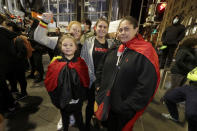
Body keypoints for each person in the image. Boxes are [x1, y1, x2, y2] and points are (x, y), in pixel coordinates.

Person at [94, 16, 160, 131]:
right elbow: (101, 67)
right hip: (107, 103)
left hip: (123, 109)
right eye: (120, 30)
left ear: (136, 30)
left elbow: (146, 86)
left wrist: (127, 106)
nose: (123, 33)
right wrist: (99, 86)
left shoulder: (145, 52)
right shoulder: (114, 48)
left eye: (127, 29)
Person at [44, 34, 89, 131]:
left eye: (71, 45)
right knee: (65, 118)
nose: (68, 47)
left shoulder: (81, 63)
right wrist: (57, 98)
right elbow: (50, 82)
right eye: (65, 45)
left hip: (77, 100)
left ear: (76, 47)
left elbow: (85, 81)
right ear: (61, 47)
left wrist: (81, 97)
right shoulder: (55, 63)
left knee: (79, 117)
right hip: (62, 99)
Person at [80, 17, 114, 130]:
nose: (102, 29)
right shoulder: (88, 42)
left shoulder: (111, 44)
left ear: (107, 29)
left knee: (103, 103)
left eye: (105, 27)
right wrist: (91, 79)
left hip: (105, 81)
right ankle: (87, 124)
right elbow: (83, 61)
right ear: (95, 28)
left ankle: (100, 121)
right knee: (90, 104)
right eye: (100, 26)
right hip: (92, 79)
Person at [162, 67, 197, 131]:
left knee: (192, 114)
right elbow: (191, 74)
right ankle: (174, 116)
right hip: (191, 85)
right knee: (168, 97)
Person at [0, 14, 18, 112]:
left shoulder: (3, 31)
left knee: (3, 87)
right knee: (3, 87)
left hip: (3, 64)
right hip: (7, 63)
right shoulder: (5, 32)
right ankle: (10, 103)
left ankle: (9, 104)